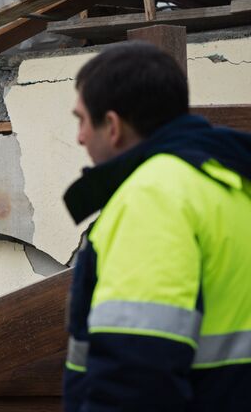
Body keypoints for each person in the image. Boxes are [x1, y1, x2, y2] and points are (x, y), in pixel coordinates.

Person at [61, 41, 251, 411]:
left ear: (112, 126)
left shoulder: (153, 196)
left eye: (82, 119)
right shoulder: (234, 183)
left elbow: (135, 374)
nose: (80, 136)